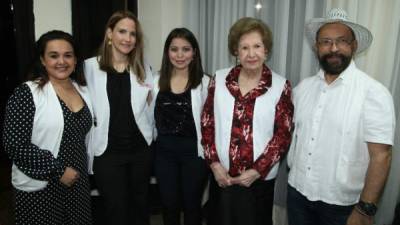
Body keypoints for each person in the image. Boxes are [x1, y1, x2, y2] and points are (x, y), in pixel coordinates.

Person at [287, 8, 396, 225]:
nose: (333, 48)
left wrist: (364, 211)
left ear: (354, 46)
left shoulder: (373, 92)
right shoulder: (302, 89)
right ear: (316, 47)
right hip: (297, 194)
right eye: (326, 41)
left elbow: (381, 156)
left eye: (342, 41)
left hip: (343, 207)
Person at [201, 17, 294, 225]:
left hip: (258, 181)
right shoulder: (219, 78)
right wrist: (214, 165)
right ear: (236, 51)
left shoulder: (280, 86)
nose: (251, 54)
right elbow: (207, 123)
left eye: (257, 46)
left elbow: (282, 135)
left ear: (266, 49)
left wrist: (256, 171)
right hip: (222, 177)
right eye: (244, 47)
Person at [2, 30, 93, 224]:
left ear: (76, 60)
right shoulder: (27, 93)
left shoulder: (82, 89)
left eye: (68, 55)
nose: (62, 61)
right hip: (43, 185)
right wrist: (58, 171)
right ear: (43, 60)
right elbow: (15, 145)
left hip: (78, 182)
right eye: (54, 56)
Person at [84, 10, 153, 225]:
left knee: (140, 208)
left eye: (132, 34)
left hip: (140, 151)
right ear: (109, 34)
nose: (128, 38)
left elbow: (150, 109)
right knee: (116, 210)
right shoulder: (88, 67)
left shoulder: (143, 68)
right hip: (107, 153)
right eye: (122, 31)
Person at [152, 28, 210, 225]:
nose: (179, 55)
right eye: (174, 49)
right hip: (164, 155)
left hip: (194, 155)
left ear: (194, 52)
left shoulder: (206, 82)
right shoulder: (154, 81)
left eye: (185, 49)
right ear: (167, 52)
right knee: (169, 205)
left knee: (192, 205)